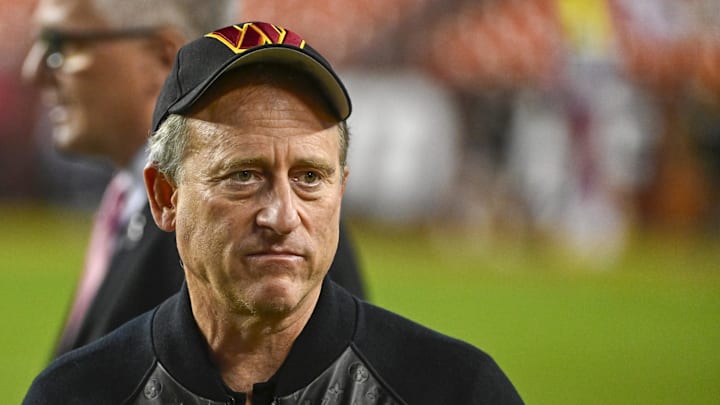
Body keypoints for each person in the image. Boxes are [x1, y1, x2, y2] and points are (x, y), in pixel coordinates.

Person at [23, 21, 523, 404]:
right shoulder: (77, 393)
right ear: (165, 196)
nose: (282, 216)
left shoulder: (455, 390)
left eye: (309, 177)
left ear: (341, 191)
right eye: (243, 175)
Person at [21, 0, 366, 358]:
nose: (34, 70)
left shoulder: (278, 240)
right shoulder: (131, 201)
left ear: (163, 57)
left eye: (65, 44)